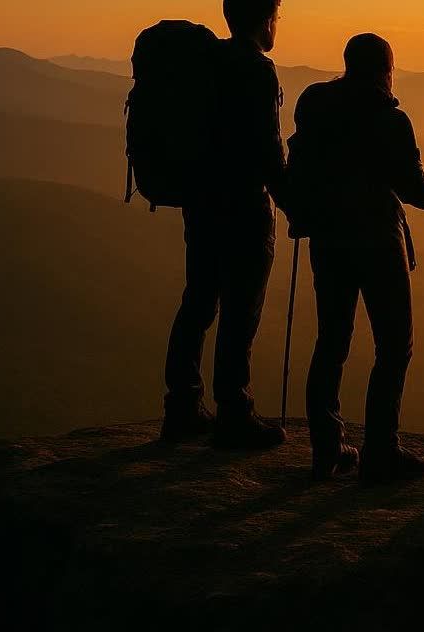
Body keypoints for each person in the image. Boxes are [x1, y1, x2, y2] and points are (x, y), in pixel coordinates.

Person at [284, 34, 424, 482]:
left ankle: (327, 449)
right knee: (394, 343)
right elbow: (412, 187)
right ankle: (382, 450)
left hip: (328, 238)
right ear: (386, 69)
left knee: (332, 342)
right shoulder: (389, 120)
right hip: (379, 241)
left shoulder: (315, 104)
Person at [160, 0, 288, 449]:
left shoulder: (206, 62)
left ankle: (182, 407)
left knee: (198, 301)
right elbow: (269, 152)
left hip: (201, 200)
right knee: (240, 311)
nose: (278, 24)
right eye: (277, 15)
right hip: (245, 206)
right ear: (264, 19)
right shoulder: (257, 70)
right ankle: (235, 411)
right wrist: (296, 204)